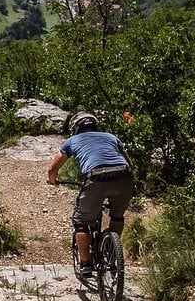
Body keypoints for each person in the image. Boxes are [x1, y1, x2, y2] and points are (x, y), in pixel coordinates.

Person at [47, 111, 133, 277]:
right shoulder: (111, 137)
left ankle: (85, 264)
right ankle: (110, 252)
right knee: (117, 216)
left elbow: (53, 168)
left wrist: (53, 180)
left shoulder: (72, 141)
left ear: (76, 128)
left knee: (81, 222)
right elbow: (128, 162)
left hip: (96, 176)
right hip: (124, 175)